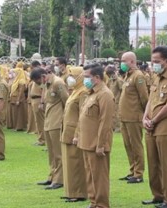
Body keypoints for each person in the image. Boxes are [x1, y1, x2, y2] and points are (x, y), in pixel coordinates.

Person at [142, 46, 167, 208]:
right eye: (152, 62)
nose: (154, 65)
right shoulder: (156, 77)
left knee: (165, 164)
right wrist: (145, 117)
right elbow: (151, 101)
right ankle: (157, 195)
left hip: (165, 127)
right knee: (152, 163)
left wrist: (153, 120)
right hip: (151, 126)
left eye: (156, 62)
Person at [77, 64, 115, 208]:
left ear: (97, 78)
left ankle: (102, 204)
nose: (84, 79)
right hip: (86, 142)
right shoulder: (91, 93)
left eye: (87, 77)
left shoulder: (105, 94)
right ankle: (94, 202)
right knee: (90, 175)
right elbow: (83, 118)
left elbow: (105, 122)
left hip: (96, 144)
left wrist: (101, 144)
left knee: (99, 177)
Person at [31, 68, 68, 190]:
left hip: (57, 121)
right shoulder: (47, 84)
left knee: (58, 153)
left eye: (38, 81)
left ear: (43, 76)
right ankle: (52, 176)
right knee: (51, 153)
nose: (38, 84)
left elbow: (66, 101)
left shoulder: (58, 83)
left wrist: (65, 120)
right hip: (49, 121)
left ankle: (60, 180)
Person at [118, 51, 148, 184]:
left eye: (124, 61)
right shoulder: (127, 75)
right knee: (127, 145)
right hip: (124, 117)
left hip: (134, 116)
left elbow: (144, 97)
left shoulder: (138, 76)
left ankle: (139, 173)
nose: (122, 63)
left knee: (136, 145)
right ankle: (132, 170)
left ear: (131, 61)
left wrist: (143, 114)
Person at [61, 66, 88, 202]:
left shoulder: (83, 92)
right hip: (67, 130)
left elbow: (82, 116)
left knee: (76, 163)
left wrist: (78, 133)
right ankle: (70, 191)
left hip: (74, 132)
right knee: (68, 163)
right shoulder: (74, 91)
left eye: (73, 75)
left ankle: (78, 192)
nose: (69, 78)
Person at [10, 62, 27, 131]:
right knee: (15, 113)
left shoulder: (21, 81)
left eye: (15, 72)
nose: (14, 74)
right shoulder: (16, 80)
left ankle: (19, 127)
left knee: (19, 113)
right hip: (14, 98)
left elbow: (21, 91)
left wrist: (18, 100)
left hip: (18, 99)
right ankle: (16, 126)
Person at [105, 65, 123, 132]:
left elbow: (122, 90)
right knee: (112, 114)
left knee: (117, 114)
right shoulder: (110, 80)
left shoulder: (119, 80)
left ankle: (118, 128)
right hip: (111, 100)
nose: (109, 75)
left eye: (110, 74)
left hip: (117, 100)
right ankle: (113, 127)